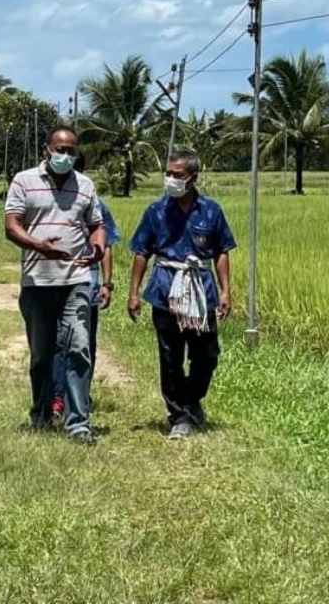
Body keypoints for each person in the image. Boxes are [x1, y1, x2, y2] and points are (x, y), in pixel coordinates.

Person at [3, 126, 106, 444]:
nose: (65, 155)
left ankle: (78, 422)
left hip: (75, 280)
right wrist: (38, 245)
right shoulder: (24, 181)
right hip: (37, 282)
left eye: (71, 151)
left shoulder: (86, 185)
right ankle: (42, 412)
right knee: (42, 355)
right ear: (46, 150)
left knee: (78, 348)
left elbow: (97, 226)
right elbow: (11, 226)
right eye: (60, 149)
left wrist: (98, 249)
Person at [126, 149, 235, 441]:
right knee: (170, 356)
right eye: (169, 174)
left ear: (193, 178)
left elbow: (221, 251)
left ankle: (192, 400)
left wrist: (226, 291)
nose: (172, 179)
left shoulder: (211, 211)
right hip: (165, 290)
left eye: (178, 175)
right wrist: (133, 293)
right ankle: (179, 415)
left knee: (207, 354)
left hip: (201, 292)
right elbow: (141, 252)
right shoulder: (156, 211)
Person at [52, 154, 121, 417]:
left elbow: (106, 246)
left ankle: (79, 396)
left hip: (85, 283)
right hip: (53, 282)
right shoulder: (51, 202)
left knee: (83, 344)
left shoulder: (96, 205)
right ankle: (57, 397)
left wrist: (107, 283)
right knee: (57, 343)